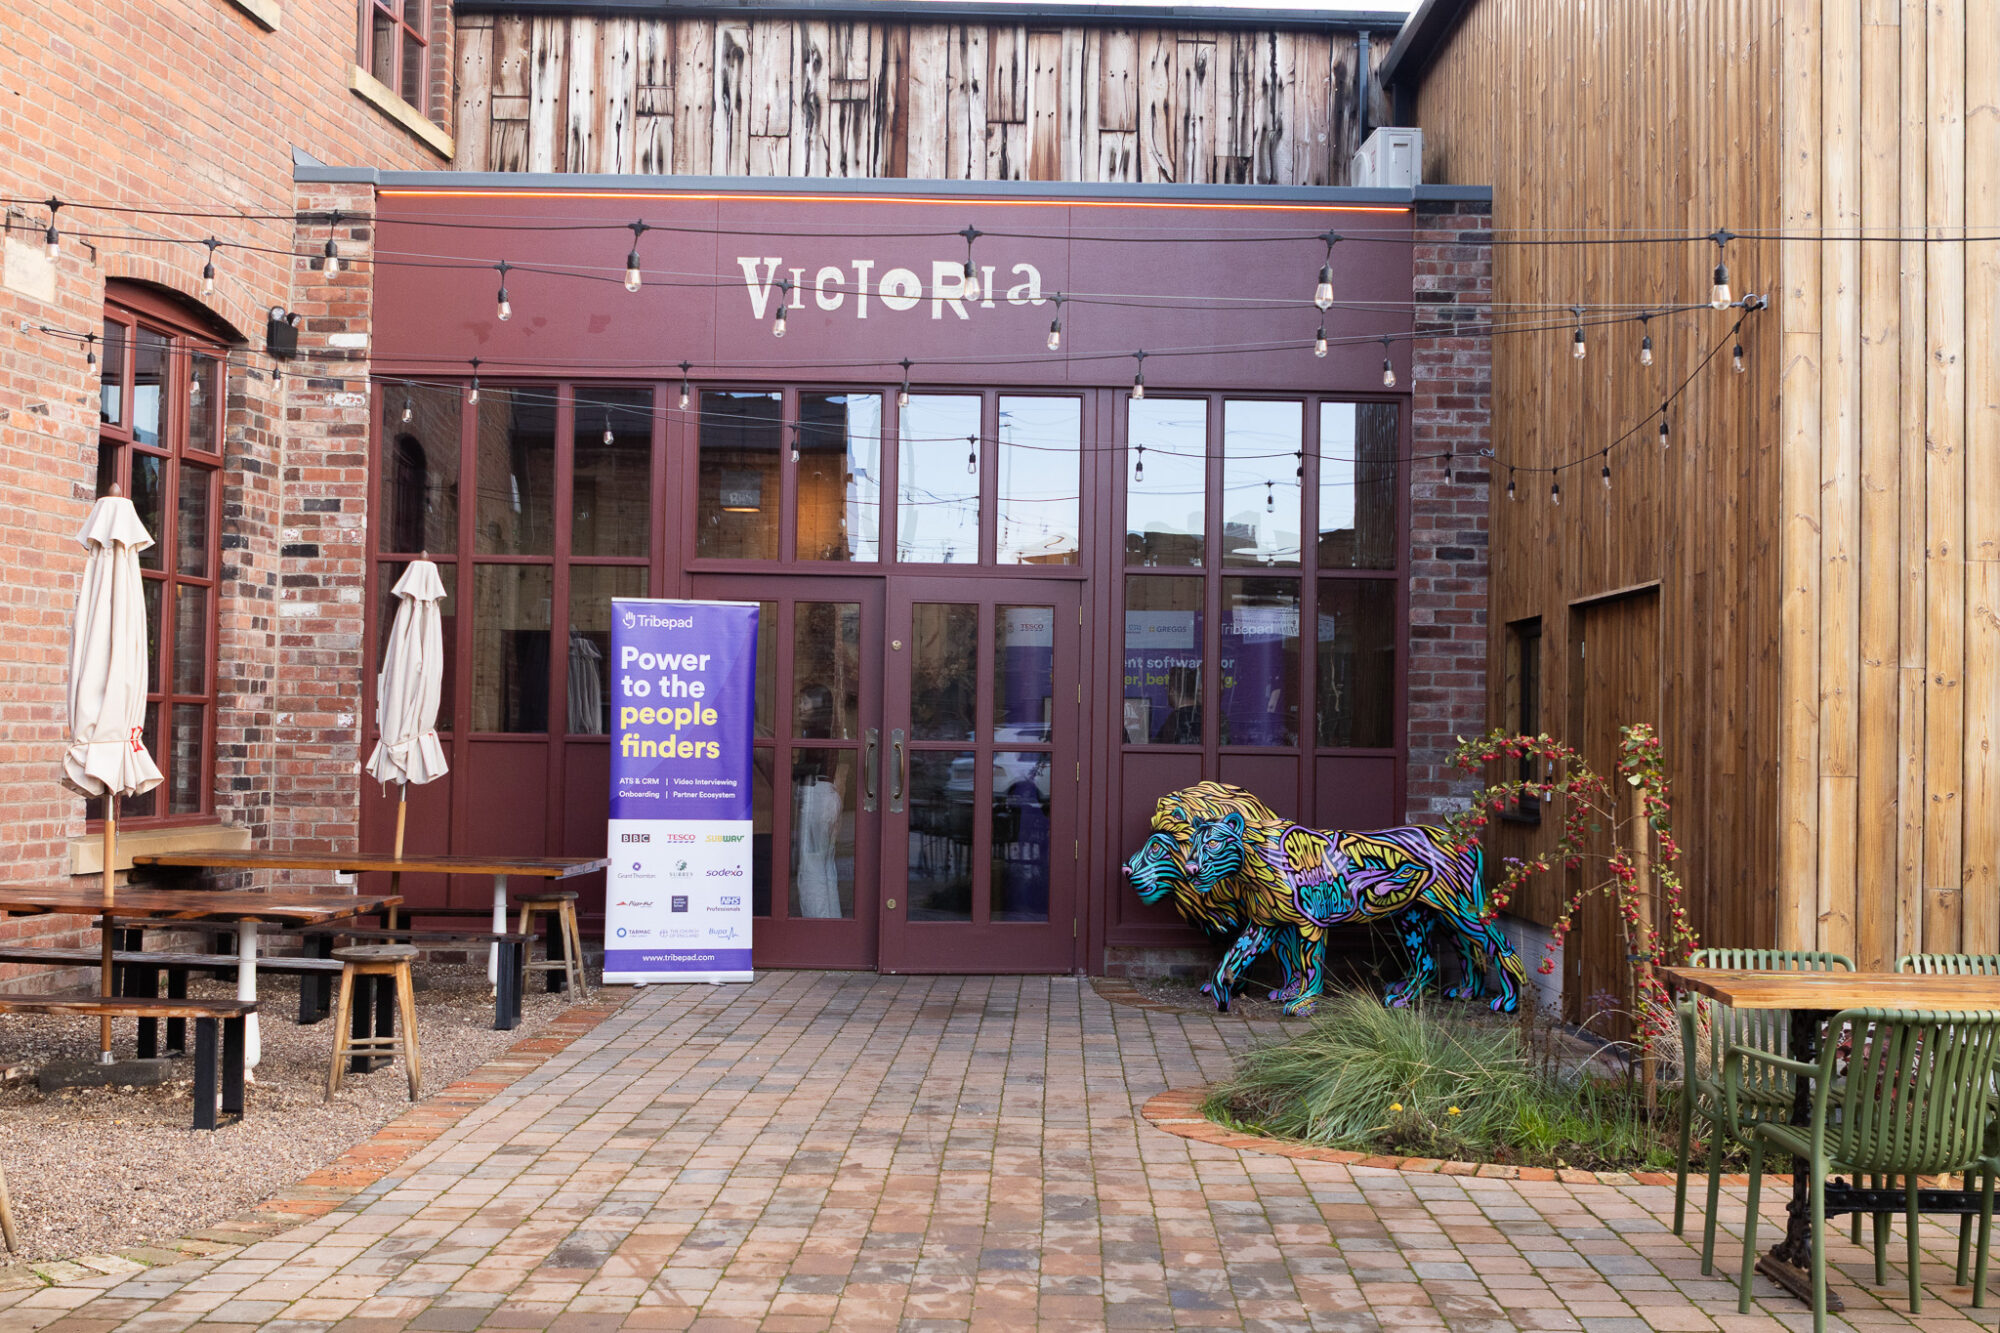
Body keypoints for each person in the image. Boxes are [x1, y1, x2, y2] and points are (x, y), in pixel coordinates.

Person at [1151, 664, 1202, 745]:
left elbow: (1155, 752)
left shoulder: (1174, 721)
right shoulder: (1208, 717)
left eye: (1167, 687)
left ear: (1172, 691)